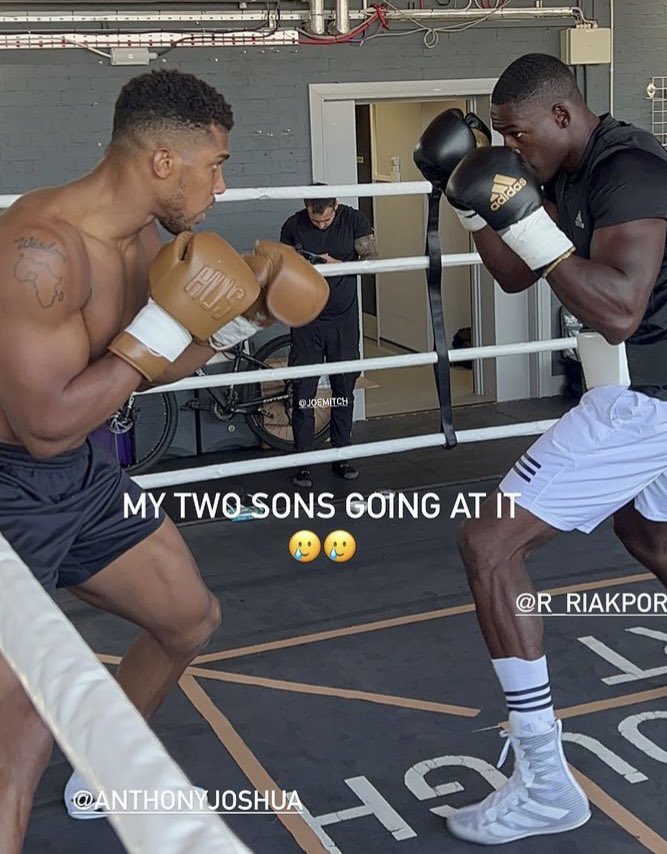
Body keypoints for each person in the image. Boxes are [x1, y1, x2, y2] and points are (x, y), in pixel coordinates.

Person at [415, 53, 667, 845]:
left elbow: (621, 311)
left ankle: (544, 782)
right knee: (648, 536)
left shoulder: (628, 170)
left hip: (648, 401)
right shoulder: (561, 172)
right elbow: (514, 279)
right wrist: (465, 201)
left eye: (516, 133)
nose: (509, 147)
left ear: (562, 116)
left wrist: (523, 214)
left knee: (489, 544)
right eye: (498, 137)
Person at [0, 68, 327, 852]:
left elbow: (157, 361)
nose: (220, 184)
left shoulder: (146, 240)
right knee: (18, 741)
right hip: (10, 492)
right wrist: (160, 330)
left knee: (189, 619)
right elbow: (43, 423)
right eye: (212, 165)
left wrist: (238, 322)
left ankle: (105, 771)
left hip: (80, 478)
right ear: (160, 163)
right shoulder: (39, 250)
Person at [280, 189, 377, 488]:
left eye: (325, 219)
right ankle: (303, 462)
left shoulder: (354, 220)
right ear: (307, 208)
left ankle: (341, 455)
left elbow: (372, 259)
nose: (320, 225)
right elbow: (281, 266)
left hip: (342, 321)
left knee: (342, 388)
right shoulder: (293, 225)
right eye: (315, 219)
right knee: (304, 391)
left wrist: (340, 266)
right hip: (306, 320)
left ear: (336, 207)